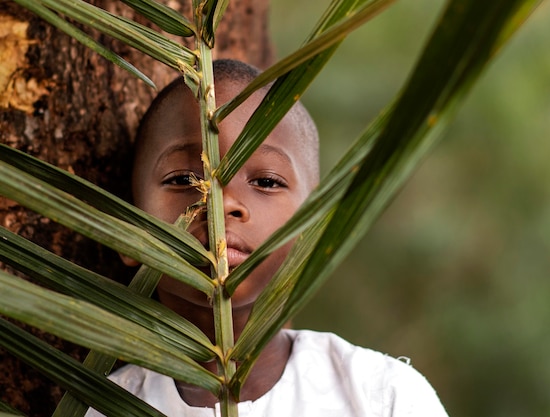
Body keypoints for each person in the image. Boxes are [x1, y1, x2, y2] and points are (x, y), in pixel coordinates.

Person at [87, 59, 448, 416]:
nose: (223, 204)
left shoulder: (383, 397)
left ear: (315, 229)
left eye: (267, 182)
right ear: (129, 231)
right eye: (183, 180)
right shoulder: (109, 408)